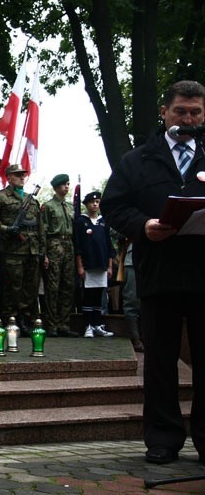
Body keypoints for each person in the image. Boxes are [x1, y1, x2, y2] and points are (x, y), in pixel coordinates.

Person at [101, 80, 205, 465]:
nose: (189, 118)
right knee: (160, 360)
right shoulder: (138, 160)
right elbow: (114, 207)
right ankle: (163, 438)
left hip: (202, 274)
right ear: (165, 112)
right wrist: (143, 225)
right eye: (181, 111)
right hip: (158, 274)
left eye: (196, 112)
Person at [0, 164, 45, 336]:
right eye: (18, 175)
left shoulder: (31, 199)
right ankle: (9, 319)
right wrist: (7, 229)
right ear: (9, 177)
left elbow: (40, 226)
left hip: (31, 250)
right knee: (12, 287)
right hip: (12, 250)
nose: (22, 177)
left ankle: (25, 319)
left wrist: (42, 249)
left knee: (30, 288)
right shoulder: (0, 198)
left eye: (23, 175)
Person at [41, 174, 79, 337]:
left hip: (69, 245)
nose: (67, 187)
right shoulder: (48, 206)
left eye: (68, 184)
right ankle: (51, 324)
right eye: (64, 184)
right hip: (54, 245)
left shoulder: (71, 207)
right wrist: (44, 254)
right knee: (53, 286)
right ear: (56, 187)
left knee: (67, 286)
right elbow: (43, 230)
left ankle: (64, 323)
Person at [74, 191, 115, 338]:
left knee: (99, 295)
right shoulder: (80, 221)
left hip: (102, 264)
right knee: (89, 296)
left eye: (97, 202)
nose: (95, 204)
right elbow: (78, 245)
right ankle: (88, 326)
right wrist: (80, 266)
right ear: (86, 204)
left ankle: (97, 324)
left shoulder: (103, 221)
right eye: (92, 202)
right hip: (88, 265)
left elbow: (109, 246)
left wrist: (110, 266)